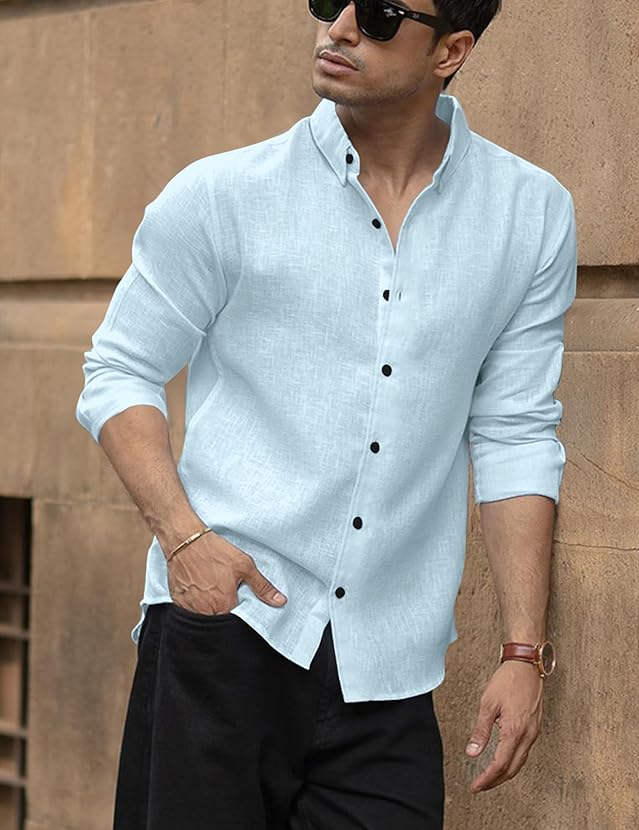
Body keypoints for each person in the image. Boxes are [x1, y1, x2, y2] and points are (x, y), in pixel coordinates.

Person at [75, 0, 577, 826]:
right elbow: (119, 370)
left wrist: (522, 650)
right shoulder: (225, 195)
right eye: (328, 1)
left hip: (390, 665)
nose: (338, 28)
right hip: (226, 627)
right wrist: (184, 541)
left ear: (450, 50)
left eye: (379, 15)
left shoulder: (527, 213)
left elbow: (515, 430)